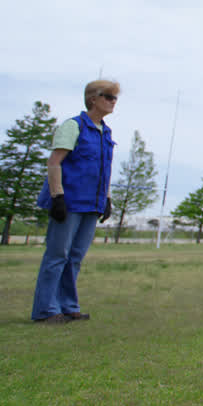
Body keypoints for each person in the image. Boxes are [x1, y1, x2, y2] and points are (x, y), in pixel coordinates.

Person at [31, 79, 118, 324]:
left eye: (114, 98)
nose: (112, 102)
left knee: (75, 257)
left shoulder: (105, 132)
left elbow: (104, 169)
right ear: (93, 99)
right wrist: (57, 196)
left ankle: (68, 306)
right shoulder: (74, 126)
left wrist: (107, 198)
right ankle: (46, 310)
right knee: (57, 255)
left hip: (92, 203)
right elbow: (54, 162)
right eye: (108, 96)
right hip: (70, 201)